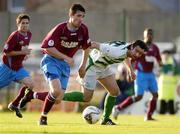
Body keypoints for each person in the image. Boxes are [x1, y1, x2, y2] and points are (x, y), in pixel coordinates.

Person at [18, 40, 147, 125]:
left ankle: (105, 119)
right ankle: (33, 95)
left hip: (102, 66)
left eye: (140, 54)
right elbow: (92, 44)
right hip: (91, 67)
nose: (137, 55)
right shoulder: (114, 50)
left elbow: (127, 56)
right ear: (132, 46)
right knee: (86, 98)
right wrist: (82, 65)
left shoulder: (127, 48)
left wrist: (130, 69)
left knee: (114, 91)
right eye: (137, 51)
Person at [112, 28, 162, 121]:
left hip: (150, 74)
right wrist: (129, 72)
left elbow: (159, 60)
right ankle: (118, 108)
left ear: (153, 36)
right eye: (147, 34)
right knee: (138, 97)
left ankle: (148, 116)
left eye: (151, 34)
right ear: (144, 35)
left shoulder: (155, 48)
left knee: (155, 95)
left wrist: (161, 65)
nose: (149, 36)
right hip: (141, 74)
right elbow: (131, 59)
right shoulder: (140, 48)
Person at [0, 13, 33, 118]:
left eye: (27, 23)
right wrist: (23, 53)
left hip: (18, 68)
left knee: (31, 84)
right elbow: (6, 52)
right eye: (23, 23)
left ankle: (14, 104)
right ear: (18, 24)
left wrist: (24, 56)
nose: (25, 25)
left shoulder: (29, 34)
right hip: (7, 68)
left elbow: (23, 48)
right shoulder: (14, 35)